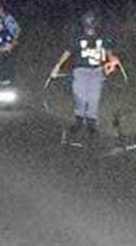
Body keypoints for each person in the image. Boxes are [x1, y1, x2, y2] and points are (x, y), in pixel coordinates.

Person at [49, 11, 121, 147]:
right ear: (84, 24)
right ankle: (79, 119)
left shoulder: (102, 37)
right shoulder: (78, 38)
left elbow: (109, 51)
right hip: (80, 70)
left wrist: (112, 61)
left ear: (96, 24)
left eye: (92, 23)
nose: (90, 26)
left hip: (97, 71)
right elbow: (68, 52)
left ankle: (91, 123)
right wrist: (57, 67)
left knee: (94, 96)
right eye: (87, 24)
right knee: (80, 95)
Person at [0, 1, 20, 88]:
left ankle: (9, 87)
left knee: (7, 67)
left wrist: (12, 43)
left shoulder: (8, 19)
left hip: (7, 48)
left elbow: (16, 31)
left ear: (1, 9)